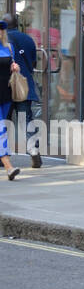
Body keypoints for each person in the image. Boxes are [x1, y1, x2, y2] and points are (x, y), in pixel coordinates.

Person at [2, 14, 41, 168]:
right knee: (26, 120)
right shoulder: (28, 39)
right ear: (17, 24)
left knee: (4, 121)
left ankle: (3, 156)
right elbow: (32, 62)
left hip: (5, 88)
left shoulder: (3, 42)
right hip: (24, 87)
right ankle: (33, 150)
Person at [0, 22, 22, 180]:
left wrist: (15, 68)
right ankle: (8, 166)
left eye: (1, 30)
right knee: (0, 128)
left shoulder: (9, 47)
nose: (0, 32)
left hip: (6, 92)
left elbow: (11, 66)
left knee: (3, 128)